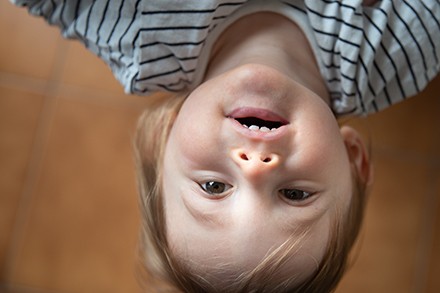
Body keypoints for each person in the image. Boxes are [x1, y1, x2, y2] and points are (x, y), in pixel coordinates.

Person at [13, 0, 440, 292]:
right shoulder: (395, 52)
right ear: (354, 159)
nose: (255, 166)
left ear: (167, 136)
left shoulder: (140, 36)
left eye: (214, 187)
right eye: (294, 194)